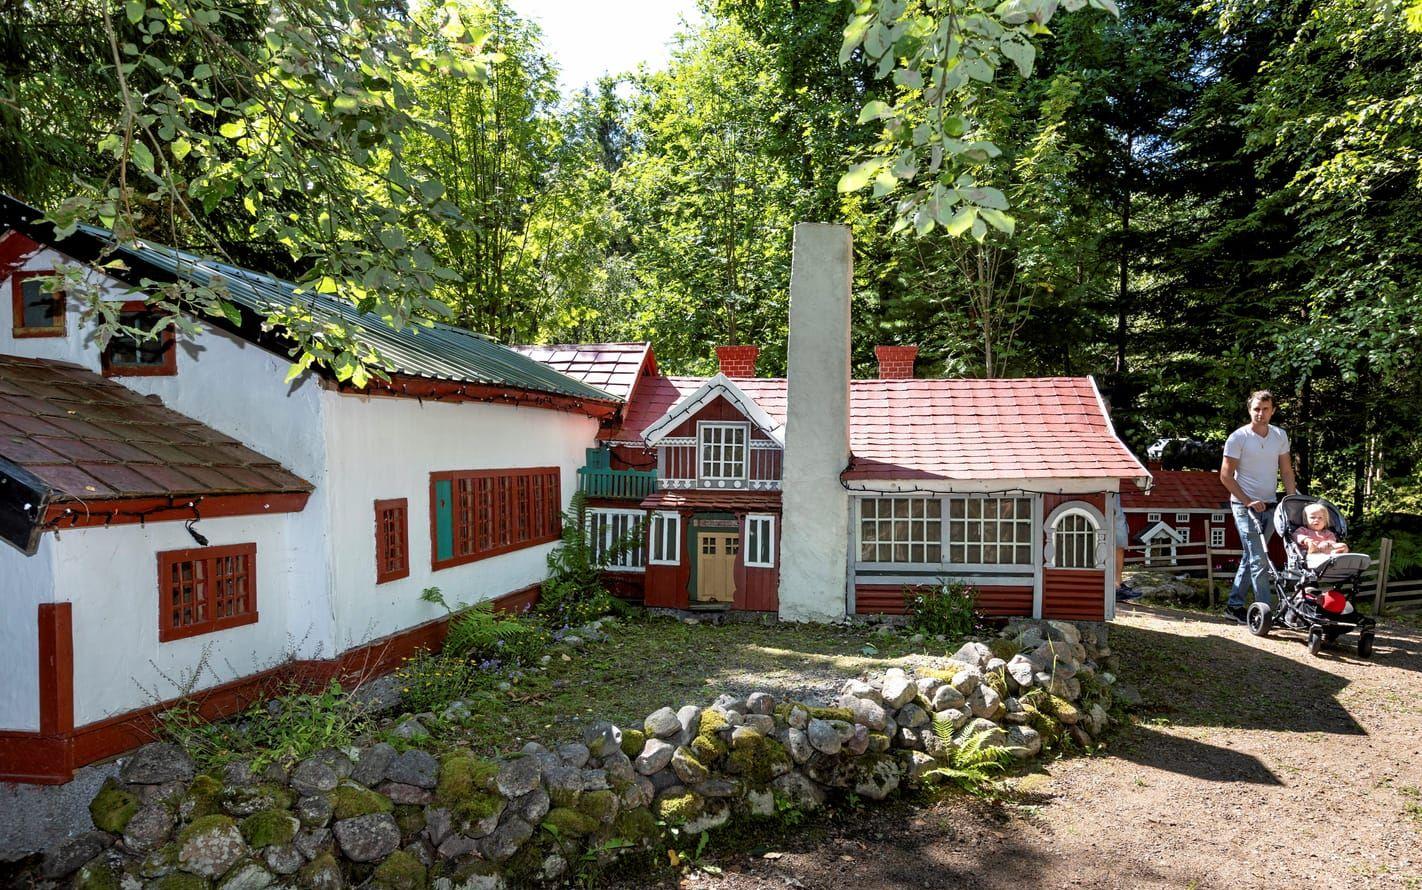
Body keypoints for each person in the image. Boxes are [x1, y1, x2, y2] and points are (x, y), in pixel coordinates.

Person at [1220, 390, 1297, 622]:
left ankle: (1234, 606)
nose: (1260, 413)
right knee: (1259, 559)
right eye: (1256, 409)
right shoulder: (1238, 437)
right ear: (1249, 410)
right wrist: (1246, 501)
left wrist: (1292, 500)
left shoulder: (1280, 435)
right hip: (1244, 506)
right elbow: (1225, 476)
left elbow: (1285, 470)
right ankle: (1268, 613)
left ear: (1272, 410)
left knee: (1251, 556)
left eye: (1265, 409)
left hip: (1271, 505)